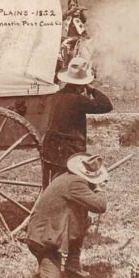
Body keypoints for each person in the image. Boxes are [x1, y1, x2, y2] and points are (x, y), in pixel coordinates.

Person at [25, 153, 108, 278]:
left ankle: (72, 265)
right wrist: (98, 188)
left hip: (46, 234)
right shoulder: (76, 184)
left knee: (84, 219)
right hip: (44, 242)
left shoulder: (68, 178)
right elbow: (100, 206)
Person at [42, 56, 113, 188]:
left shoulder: (57, 95)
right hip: (69, 153)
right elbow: (106, 105)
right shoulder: (78, 100)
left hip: (51, 150)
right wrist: (92, 90)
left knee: (56, 184)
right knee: (72, 185)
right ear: (82, 84)